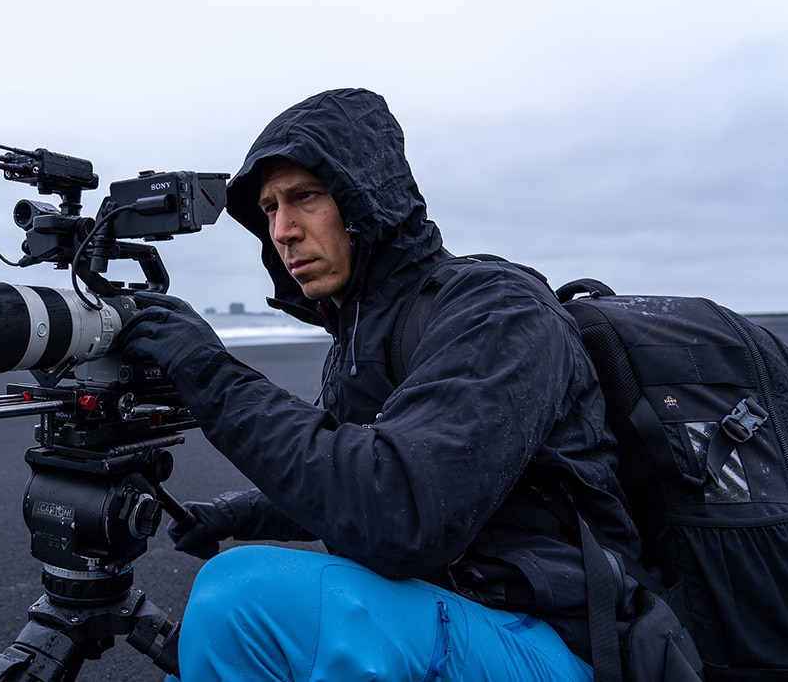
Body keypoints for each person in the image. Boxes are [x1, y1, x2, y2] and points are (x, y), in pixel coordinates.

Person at [119, 88, 641, 681]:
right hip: (457, 612)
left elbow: (398, 509)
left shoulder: (497, 311)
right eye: (268, 209)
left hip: (562, 643)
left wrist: (207, 372)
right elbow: (357, 469)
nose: (283, 230)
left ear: (367, 200)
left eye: (305, 197)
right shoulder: (362, 331)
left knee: (238, 599)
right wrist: (236, 513)